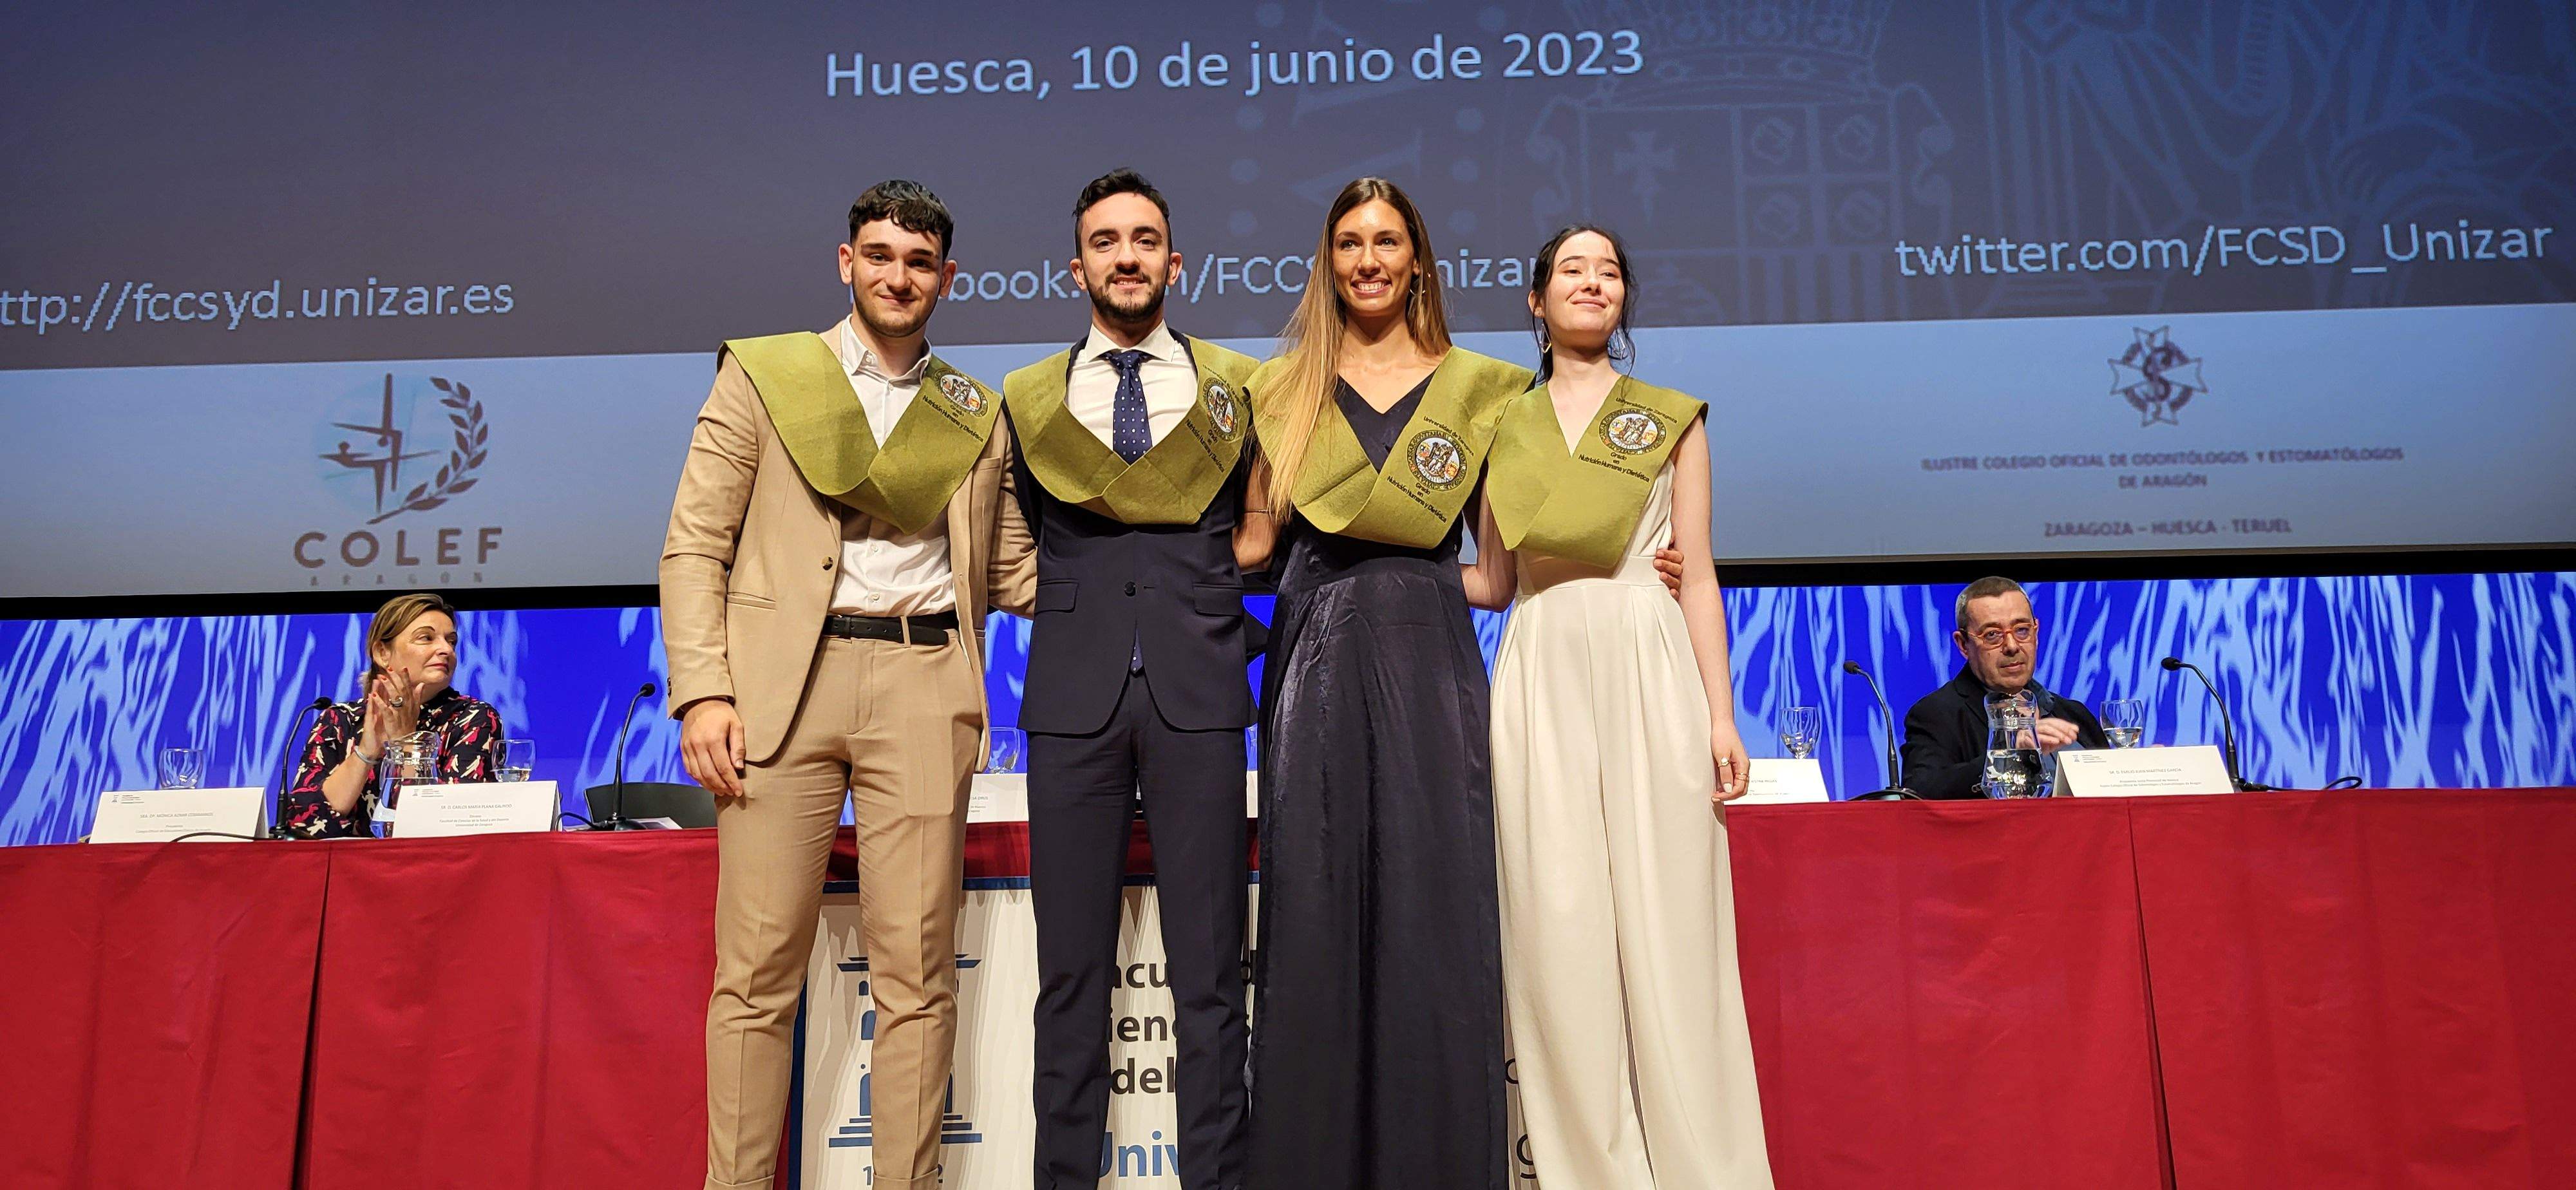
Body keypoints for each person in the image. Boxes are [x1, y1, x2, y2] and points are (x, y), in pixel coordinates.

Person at [660, 180, 1034, 1190]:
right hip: (783, 690)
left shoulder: (976, 410)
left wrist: (1161, 578)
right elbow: (694, 545)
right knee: (756, 978)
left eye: (918, 263)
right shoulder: (768, 376)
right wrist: (702, 692)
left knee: (917, 980)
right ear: (846, 262)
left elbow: (1012, 569)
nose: (897, 277)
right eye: (880, 256)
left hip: (924, 683)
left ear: (946, 279)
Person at [1231, 176, 1528, 1189]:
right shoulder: (1281, 391)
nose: (1368, 259)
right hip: (1314, 655)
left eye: (1387, 241)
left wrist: (1641, 562)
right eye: (1350, 242)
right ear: (1329, 261)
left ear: (1418, 260)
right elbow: (1258, 544)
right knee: (1314, 908)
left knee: (1435, 911)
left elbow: (1494, 574)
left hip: (1428, 652)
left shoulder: (1479, 389)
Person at [1466, 225, 1774, 1188]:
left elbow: (1698, 571)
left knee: (1676, 929)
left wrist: (1721, 714)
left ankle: (1712, 1170)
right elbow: (1494, 581)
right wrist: (1379, 568)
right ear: (1535, 301)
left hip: (1649, 660)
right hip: (1541, 663)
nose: (1592, 283)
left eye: (1608, 272)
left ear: (1624, 296)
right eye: (1572, 270)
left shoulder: (1671, 417)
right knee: (1556, 936)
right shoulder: (1493, 422)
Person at [1001, 169, 1260, 1190]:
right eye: (1106, 241)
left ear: (1175, 262)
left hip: (1199, 688)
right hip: (1072, 699)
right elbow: (1005, 538)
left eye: (1145, 239)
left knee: (1209, 977)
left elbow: (1269, 532)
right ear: (1077, 268)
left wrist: (1204, 592)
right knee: (1069, 975)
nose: (1127, 256)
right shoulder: (1028, 395)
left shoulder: (1239, 385)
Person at [282, 591, 503, 838]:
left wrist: (407, 744)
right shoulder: (339, 720)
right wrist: (365, 753)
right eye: (426, 638)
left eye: (451, 641)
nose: (446, 650)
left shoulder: (474, 718)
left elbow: (451, 824)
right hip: (346, 870)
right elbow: (303, 823)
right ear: (382, 653)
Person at [1901, 576, 2110, 798]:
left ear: (2036, 633)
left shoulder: (2074, 713)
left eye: (2021, 630)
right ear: (1963, 645)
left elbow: (2113, 791)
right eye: (1992, 635)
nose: (2011, 646)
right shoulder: (1936, 714)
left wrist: (2146, 771)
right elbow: (1919, 791)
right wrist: (2008, 753)